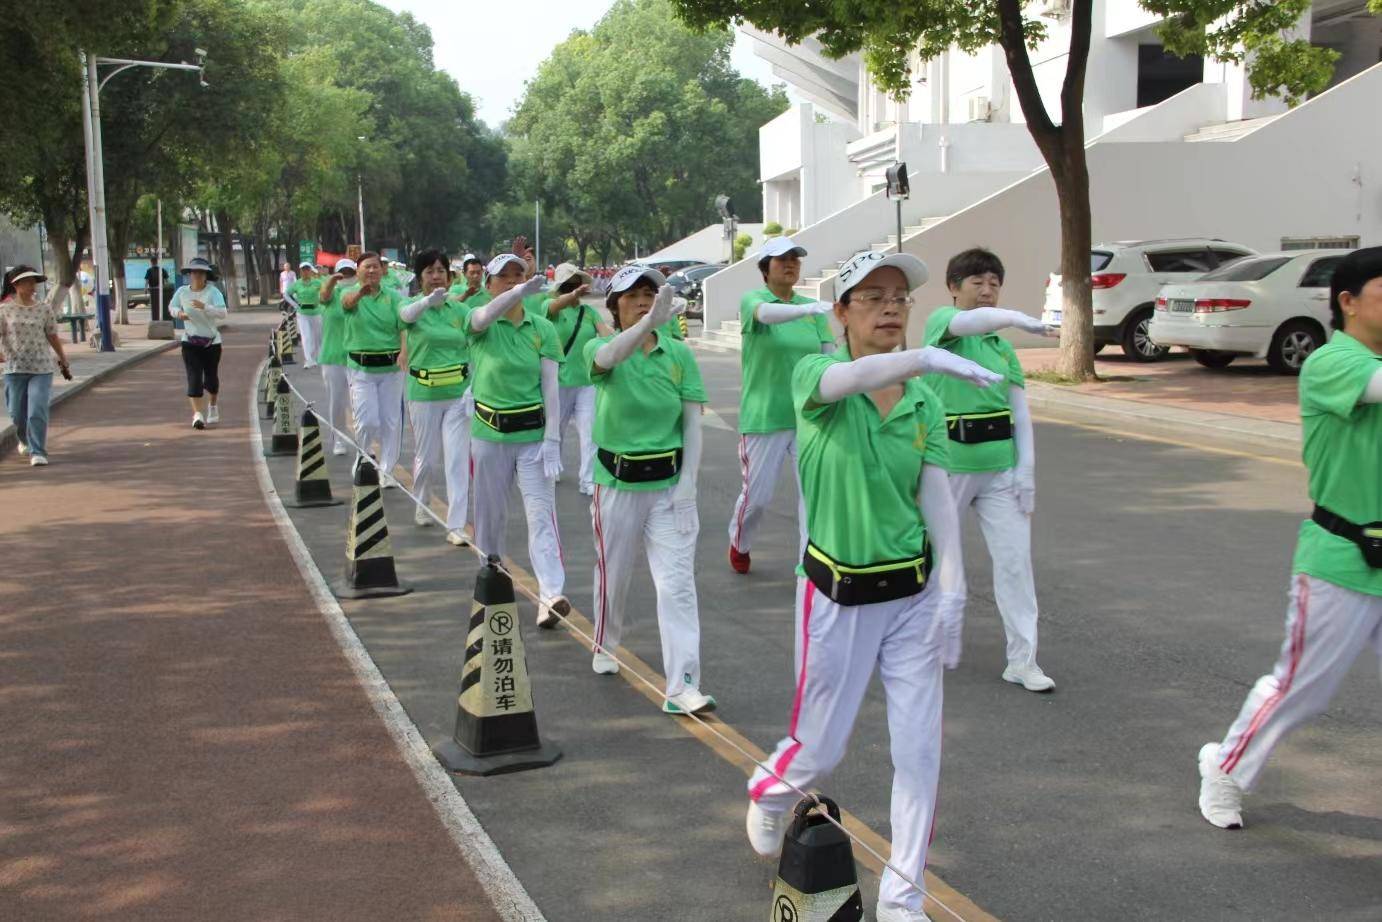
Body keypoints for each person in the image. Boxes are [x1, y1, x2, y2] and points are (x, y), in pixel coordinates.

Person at [743, 250, 1001, 922]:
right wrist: (925, 358)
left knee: (919, 752)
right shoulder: (816, 375)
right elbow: (845, 381)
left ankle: (903, 899)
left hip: (909, 599)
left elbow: (937, 496)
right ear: (842, 314)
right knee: (819, 747)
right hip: (837, 597)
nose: (891, 307)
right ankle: (770, 794)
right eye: (872, 297)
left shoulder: (921, 398)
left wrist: (952, 587)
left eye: (900, 297)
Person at [1197, 245, 1382, 830]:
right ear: (1348, 303)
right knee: (1302, 689)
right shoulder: (1335, 362)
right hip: (1341, 559)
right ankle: (1225, 768)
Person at [922, 247, 1057, 693]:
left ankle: (1023, 660)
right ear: (953, 288)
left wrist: (1027, 472)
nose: (987, 290)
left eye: (994, 283)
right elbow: (969, 323)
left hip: (1000, 469)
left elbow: (1019, 409)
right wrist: (1018, 316)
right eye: (977, 281)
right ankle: (923, 643)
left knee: (1016, 565)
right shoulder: (943, 325)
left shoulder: (1001, 347)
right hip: (947, 467)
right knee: (938, 561)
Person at [585, 267, 713, 714]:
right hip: (617, 483)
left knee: (677, 586)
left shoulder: (678, 354)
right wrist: (645, 324)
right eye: (633, 296)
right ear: (615, 306)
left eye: (649, 295)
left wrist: (689, 486)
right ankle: (605, 642)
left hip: (667, 485)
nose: (643, 301)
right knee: (614, 574)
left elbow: (692, 421)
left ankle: (683, 685)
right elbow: (606, 361)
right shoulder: (600, 346)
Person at [465, 254, 568, 626]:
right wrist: (519, 292)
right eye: (503, 277)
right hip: (489, 435)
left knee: (542, 515)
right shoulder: (479, 321)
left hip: (532, 437)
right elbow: (480, 319)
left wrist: (553, 439)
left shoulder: (541, 328)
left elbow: (551, 387)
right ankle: (491, 574)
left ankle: (551, 594)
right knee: (490, 515)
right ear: (488, 285)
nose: (511, 281)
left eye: (517, 275)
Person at [727, 235, 834, 574]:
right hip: (765, 416)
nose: (790, 264)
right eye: (781, 259)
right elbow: (767, 315)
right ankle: (740, 542)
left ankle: (809, 562)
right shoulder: (754, 300)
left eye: (795, 259)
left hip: (809, 417)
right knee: (756, 498)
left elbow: (828, 356)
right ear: (765, 268)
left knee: (814, 495)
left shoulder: (813, 311)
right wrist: (802, 309)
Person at [400, 249, 474, 546]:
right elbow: (406, 316)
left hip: (458, 395)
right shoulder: (410, 306)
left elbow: (477, 333)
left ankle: (456, 525)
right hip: (424, 394)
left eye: (441, 271)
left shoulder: (459, 311)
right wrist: (426, 302)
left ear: (450, 275)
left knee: (457, 461)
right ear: (420, 277)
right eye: (429, 271)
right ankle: (422, 501)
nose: (436, 276)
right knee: (427, 458)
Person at [340, 252, 406, 474]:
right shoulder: (348, 292)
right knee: (367, 420)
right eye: (366, 267)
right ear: (358, 271)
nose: (371, 271)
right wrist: (361, 293)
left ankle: (387, 470)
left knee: (391, 422)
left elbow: (404, 326)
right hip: (361, 369)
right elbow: (347, 305)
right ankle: (364, 456)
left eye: (375, 267)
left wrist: (405, 352)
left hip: (391, 368)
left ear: (382, 270)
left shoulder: (394, 297)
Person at [544, 262, 606, 495]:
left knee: (590, 433)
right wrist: (570, 296)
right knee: (554, 431)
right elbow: (553, 306)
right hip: (557, 383)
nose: (574, 288)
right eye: (568, 285)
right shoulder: (551, 308)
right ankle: (552, 469)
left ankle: (588, 480)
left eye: (576, 284)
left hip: (587, 383)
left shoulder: (589, 312)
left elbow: (606, 334)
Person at [0, 266, 71, 466]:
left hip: (41, 368)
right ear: (16, 285)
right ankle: (23, 438)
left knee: (37, 409)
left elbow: (52, 335)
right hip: (14, 369)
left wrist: (62, 358)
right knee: (16, 414)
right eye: (28, 282)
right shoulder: (4, 310)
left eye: (34, 282)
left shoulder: (44, 309)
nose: (33, 286)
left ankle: (38, 451)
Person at [169, 257, 228, 430]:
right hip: (190, 342)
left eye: (200, 272)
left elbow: (223, 313)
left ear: (206, 275)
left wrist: (205, 307)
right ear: (189, 274)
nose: (196, 275)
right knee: (194, 379)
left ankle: (213, 405)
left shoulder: (213, 292)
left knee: (211, 380)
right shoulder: (182, 292)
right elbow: (171, 307)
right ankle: (197, 415)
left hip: (211, 343)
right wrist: (179, 314)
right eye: (193, 272)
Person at [316, 258, 357, 456]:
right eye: (343, 273)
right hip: (333, 356)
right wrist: (333, 280)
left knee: (359, 402)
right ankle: (338, 438)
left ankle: (363, 442)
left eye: (350, 272)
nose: (346, 276)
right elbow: (323, 296)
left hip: (357, 356)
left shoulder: (359, 292)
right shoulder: (331, 295)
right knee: (337, 402)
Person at [286, 262, 324, 369]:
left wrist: (321, 303)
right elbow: (286, 294)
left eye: (307, 269)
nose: (305, 272)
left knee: (317, 336)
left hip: (316, 312)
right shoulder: (297, 284)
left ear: (311, 271)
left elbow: (325, 293)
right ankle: (309, 360)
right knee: (306, 336)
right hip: (302, 313)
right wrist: (295, 305)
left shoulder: (317, 283)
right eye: (303, 270)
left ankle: (318, 357)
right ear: (300, 271)